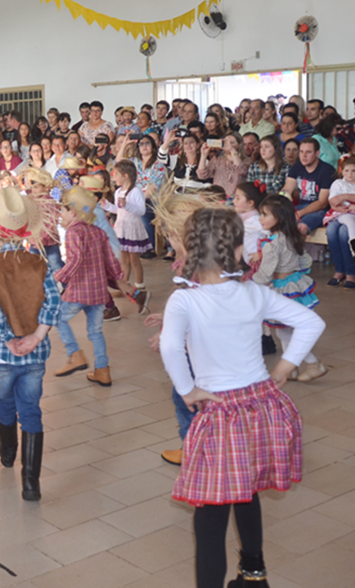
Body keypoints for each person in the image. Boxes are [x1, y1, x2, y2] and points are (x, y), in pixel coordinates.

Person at [159, 207, 324, 588]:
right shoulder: (254, 293)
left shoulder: (185, 301)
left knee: (211, 514)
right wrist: (283, 367)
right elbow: (311, 321)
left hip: (221, 413)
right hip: (261, 406)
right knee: (247, 492)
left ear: (192, 250)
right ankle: (254, 575)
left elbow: (170, 348)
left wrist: (187, 391)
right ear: (236, 251)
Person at [0, 187, 61, 499]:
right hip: (36, 353)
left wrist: (8, 340)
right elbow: (53, 304)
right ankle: (31, 482)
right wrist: (36, 336)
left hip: (1, 353)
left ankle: (7, 451)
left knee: (4, 399)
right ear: (26, 231)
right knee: (32, 409)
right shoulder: (40, 264)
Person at [252, 195, 328, 382]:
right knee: (284, 328)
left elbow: (265, 273)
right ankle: (291, 368)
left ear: (280, 217)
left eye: (265, 215)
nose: (260, 219)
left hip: (283, 288)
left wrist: (249, 285)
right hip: (296, 282)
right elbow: (304, 261)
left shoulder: (272, 245)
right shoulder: (291, 236)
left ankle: (313, 363)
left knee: (284, 329)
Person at [53, 186, 123, 387]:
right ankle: (103, 370)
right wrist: (119, 279)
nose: (61, 214)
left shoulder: (73, 233)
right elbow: (110, 260)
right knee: (95, 331)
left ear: (73, 212)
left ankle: (75, 354)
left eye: (64, 210)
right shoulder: (97, 231)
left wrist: (58, 278)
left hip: (79, 290)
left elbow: (75, 260)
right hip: (99, 292)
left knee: (59, 318)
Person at [100, 161, 152, 312]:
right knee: (123, 259)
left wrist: (127, 205)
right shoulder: (117, 192)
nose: (113, 177)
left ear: (126, 176)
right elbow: (118, 210)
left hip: (132, 228)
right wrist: (108, 206)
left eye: (116, 174)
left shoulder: (136, 191)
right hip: (121, 227)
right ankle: (125, 285)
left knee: (134, 260)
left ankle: (140, 286)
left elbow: (141, 210)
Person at [282, 140, 335, 233]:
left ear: (317, 153)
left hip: (319, 209)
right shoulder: (297, 166)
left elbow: (323, 203)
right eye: (301, 152)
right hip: (301, 206)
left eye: (308, 152)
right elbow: (286, 190)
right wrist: (278, 203)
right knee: (276, 219)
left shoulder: (327, 170)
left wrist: (299, 214)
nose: (304, 156)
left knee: (300, 227)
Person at [326, 158, 355, 288]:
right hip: (339, 213)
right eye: (347, 171)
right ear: (341, 171)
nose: (350, 174)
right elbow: (333, 201)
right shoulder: (338, 183)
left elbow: (342, 199)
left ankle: (350, 272)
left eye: (354, 171)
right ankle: (339, 270)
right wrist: (337, 207)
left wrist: (345, 197)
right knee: (331, 231)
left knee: (344, 233)